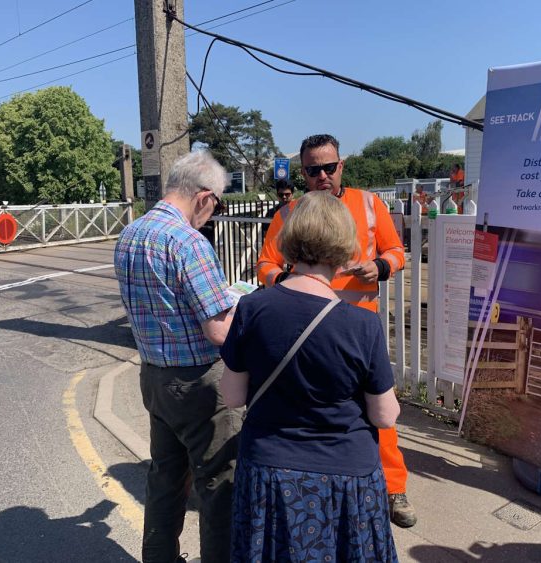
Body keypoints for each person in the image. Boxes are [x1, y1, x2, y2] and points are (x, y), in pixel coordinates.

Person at [221, 191, 400, 562]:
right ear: (345, 249)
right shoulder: (362, 325)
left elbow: (233, 396)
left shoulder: (251, 308)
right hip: (345, 477)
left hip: (269, 471)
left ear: (289, 242)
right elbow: (385, 416)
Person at [257, 134, 418, 528]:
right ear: (303, 173)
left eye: (329, 168)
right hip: (307, 329)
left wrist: (378, 268)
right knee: (314, 413)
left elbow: (397, 252)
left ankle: (393, 488)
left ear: (341, 166)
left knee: (378, 410)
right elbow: (265, 265)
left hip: (359, 324)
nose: (322, 176)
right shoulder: (289, 213)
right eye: (313, 170)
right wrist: (288, 286)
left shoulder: (368, 203)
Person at [114, 150, 241, 563]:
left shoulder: (130, 234)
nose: (213, 213)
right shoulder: (188, 242)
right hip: (199, 381)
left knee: (166, 478)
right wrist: (243, 304)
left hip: (153, 376)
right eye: (216, 204)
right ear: (204, 197)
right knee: (219, 484)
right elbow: (220, 330)